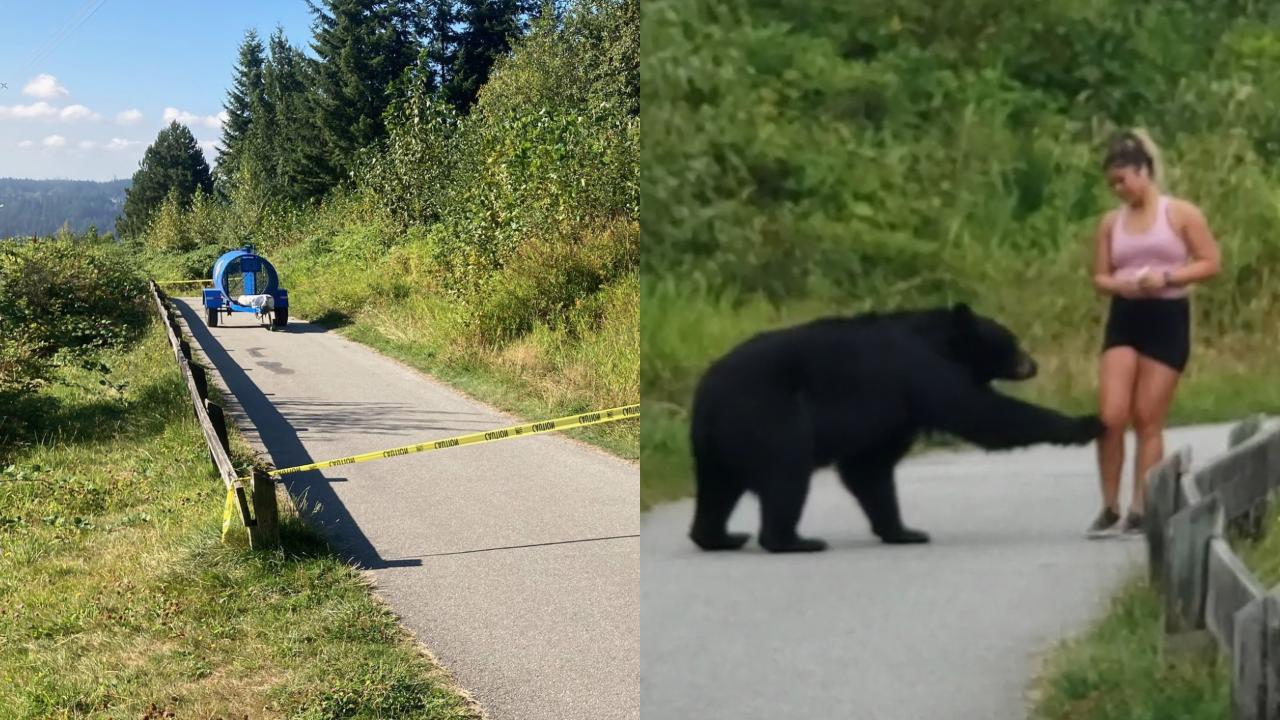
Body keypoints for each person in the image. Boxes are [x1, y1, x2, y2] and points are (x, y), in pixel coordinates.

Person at [1085, 129, 1221, 538]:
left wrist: (1169, 276)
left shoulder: (1180, 214)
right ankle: (1109, 505)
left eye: (1123, 180)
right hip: (1126, 315)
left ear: (1144, 172)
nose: (1119, 190)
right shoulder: (1112, 223)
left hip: (1166, 315)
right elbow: (1099, 275)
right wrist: (1119, 285)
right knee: (1110, 415)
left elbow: (1210, 262)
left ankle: (1143, 506)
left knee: (1148, 417)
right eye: (1112, 184)